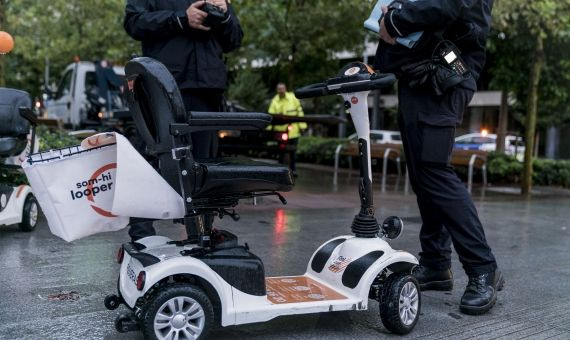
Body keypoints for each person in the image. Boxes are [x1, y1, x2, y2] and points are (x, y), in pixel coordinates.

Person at [376, 0, 504, 315]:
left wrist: (395, 19)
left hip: (445, 72)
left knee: (434, 171)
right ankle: (436, 264)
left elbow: (450, 4)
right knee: (423, 175)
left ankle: (483, 268)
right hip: (416, 74)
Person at [124, 0, 243, 241]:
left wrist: (226, 13)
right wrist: (180, 18)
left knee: (203, 165)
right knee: (153, 159)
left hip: (207, 90)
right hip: (163, 87)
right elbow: (134, 23)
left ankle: (201, 231)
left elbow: (235, 40)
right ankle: (142, 234)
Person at [268, 83, 307, 175]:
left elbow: (299, 112)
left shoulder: (293, 98)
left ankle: (293, 170)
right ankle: (280, 170)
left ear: (285, 89)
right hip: (280, 132)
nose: (281, 90)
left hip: (293, 131)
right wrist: (269, 129)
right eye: (279, 89)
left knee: (293, 152)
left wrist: (303, 126)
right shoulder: (275, 101)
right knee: (281, 152)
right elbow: (270, 115)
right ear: (277, 90)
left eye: (282, 88)